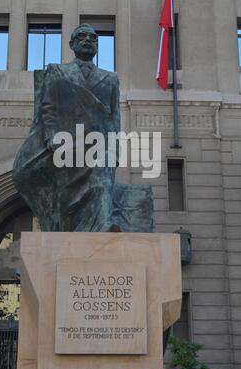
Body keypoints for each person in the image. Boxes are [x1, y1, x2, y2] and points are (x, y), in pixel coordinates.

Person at [13, 24, 154, 233]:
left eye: (93, 37)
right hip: (66, 144)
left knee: (102, 172)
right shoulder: (58, 72)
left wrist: (115, 151)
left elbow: (114, 117)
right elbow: (48, 107)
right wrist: (52, 137)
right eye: (82, 36)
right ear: (72, 44)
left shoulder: (111, 79)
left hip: (96, 144)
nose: (88, 40)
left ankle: (101, 225)